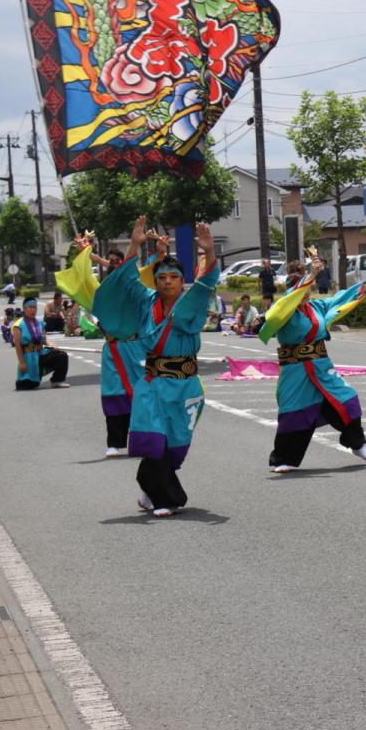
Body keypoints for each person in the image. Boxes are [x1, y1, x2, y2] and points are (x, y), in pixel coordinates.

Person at [92, 216, 220, 518]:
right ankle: (166, 498)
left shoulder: (192, 302)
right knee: (153, 439)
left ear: (181, 280)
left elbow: (207, 282)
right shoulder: (145, 300)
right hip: (153, 382)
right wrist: (135, 244)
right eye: (161, 277)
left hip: (186, 383)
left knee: (176, 445)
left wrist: (210, 253)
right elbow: (125, 279)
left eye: (173, 277)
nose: (167, 282)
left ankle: (150, 488)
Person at [259, 253, 366, 472]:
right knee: (294, 413)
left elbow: (341, 299)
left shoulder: (317, 307)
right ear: (291, 292)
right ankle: (283, 459)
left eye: (309, 289)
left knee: (347, 400)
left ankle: (358, 444)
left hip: (322, 367)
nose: (307, 293)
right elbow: (281, 308)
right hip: (295, 370)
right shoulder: (283, 311)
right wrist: (312, 273)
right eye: (302, 289)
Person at [57, 240, 148, 458]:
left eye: (119, 262)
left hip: (136, 348)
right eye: (112, 262)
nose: (115, 265)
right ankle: (115, 443)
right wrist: (83, 253)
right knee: (114, 394)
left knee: (143, 395)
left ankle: (143, 440)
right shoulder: (100, 293)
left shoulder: (137, 288)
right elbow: (85, 279)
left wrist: (141, 246)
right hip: (114, 350)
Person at [12, 298, 70, 390]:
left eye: (34, 307)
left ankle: (57, 380)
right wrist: (22, 362)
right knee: (29, 385)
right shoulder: (18, 325)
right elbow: (18, 346)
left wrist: (51, 345)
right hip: (28, 357)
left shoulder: (40, 323)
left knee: (62, 356)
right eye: (30, 308)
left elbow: (44, 339)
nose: (32, 310)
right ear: (24, 309)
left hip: (40, 354)